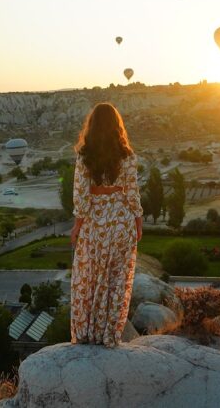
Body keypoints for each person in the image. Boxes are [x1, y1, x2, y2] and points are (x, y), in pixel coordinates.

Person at [70, 102, 143, 347]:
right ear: (116, 126)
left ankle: (86, 333)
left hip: (95, 222)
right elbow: (132, 193)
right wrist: (138, 221)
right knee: (116, 280)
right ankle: (109, 334)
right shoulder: (128, 155)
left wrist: (77, 225)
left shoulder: (84, 155)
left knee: (89, 278)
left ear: (92, 125)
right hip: (122, 220)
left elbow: (81, 195)